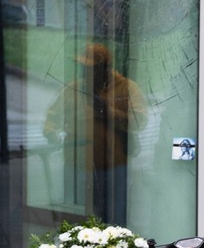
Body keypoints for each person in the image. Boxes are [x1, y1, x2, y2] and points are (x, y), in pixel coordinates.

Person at [44, 43, 145, 224]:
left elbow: (140, 121)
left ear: (104, 68)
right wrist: (53, 134)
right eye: (83, 67)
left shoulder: (127, 87)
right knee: (81, 219)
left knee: (114, 218)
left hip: (114, 166)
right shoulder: (74, 88)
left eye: (90, 68)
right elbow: (53, 116)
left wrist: (108, 111)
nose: (85, 72)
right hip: (78, 165)